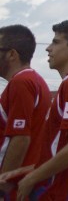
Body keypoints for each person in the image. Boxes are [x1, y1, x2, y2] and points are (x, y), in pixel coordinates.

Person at [16, 20, 68, 201]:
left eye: (56, 42)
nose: (48, 48)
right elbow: (57, 148)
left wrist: (31, 178)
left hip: (57, 192)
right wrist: (21, 172)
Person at [0, 25, 52, 192]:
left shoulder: (21, 82)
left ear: (12, 54)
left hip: (13, 185)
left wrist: (3, 184)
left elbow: (20, 137)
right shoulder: (35, 80)